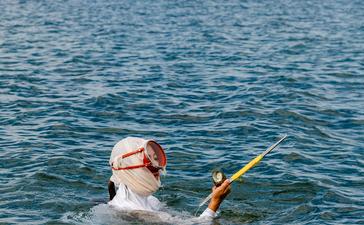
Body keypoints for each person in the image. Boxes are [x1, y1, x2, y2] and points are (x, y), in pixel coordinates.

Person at [107, 137, 231, 222]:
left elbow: (182, 219)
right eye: (147, 159)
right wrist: (215, 203)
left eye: (155, 158)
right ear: (128, 168)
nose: (155, 165)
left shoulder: (151, 200)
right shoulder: (134, 212)